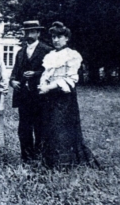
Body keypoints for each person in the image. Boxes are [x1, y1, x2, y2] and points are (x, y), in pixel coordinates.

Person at [37, 21, 99, 169]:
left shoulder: (72, 55)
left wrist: (50, 87)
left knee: (62, 128)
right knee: (49, 127)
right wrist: (43, 84)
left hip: (63, 97)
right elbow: (46, 73)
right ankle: (50, 161)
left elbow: (71, 79)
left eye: (59, 37)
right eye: (53, 37)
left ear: (66, 38)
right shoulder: (50, 55)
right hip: (49, 97)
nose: (56, 40)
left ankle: (64, 163)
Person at [9, 20, 53, 162]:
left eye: (32, 31)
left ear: (38, 33)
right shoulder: (20, 52)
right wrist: (13, 81)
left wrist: (35, 74)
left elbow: (51, 72)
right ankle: (26, 157)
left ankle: (40, 156)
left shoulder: (47, 50)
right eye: (26, 32)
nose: (29, 34)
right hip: (23, 95)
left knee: (40, 126)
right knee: (24, 128)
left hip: (40, 95)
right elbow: (15, 71)